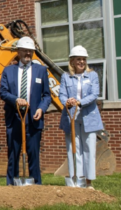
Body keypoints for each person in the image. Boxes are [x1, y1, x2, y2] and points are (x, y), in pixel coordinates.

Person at [0, 36, 51, 185]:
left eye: (31, 51)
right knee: (13, 155)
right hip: (15, 118)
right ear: (18, 51)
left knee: (34, 155)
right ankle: (11, 185)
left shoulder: (41, 70)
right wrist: (16, 99)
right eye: (25, 51)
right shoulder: (8, 70)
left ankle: (36, 185)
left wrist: (41, 108)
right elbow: (3, 92)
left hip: (34, 118)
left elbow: (47, 95)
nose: (28, 53)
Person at [59, 45, 103, 190]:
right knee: (74, 148)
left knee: (89, 149)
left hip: (89, 116)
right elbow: (62, 94)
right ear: (72, 61)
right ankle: (76, 179)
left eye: (83, 59)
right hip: (71, 116)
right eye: (78, 59)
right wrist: (67, 101)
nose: (82, 62)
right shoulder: (66, 76)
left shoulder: (93, 75)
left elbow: (94, 94)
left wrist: (79, 102)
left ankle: (88, 181)